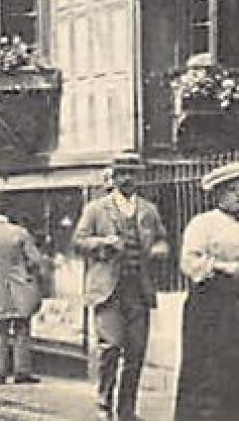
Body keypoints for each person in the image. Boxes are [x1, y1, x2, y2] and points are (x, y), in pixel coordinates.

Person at [174, 161, 239, 421]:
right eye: (232, 191)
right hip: (210, 302)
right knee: (210, 363)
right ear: (218, 194)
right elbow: (189, 261)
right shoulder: (203, 223)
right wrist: (222, 266)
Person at [73, 162, 170, 420]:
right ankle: (104, 402)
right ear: (113, 178)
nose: (127, 179)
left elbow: (162, 238)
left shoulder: (149, 209)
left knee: (136, 351)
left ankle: (127, 409)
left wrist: (160, 249)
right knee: (111, 347)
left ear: (138, 177)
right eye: (122, 174)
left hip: (139, 288)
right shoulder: (96, 208)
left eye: (132, 174)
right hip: (108, 289)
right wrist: (103, 243)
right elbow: (78, 241)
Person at [0, 212, 45, 385]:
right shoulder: (21, 233)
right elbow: (35, 259)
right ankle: (22, 372)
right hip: (20, 285)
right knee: (22, 329)